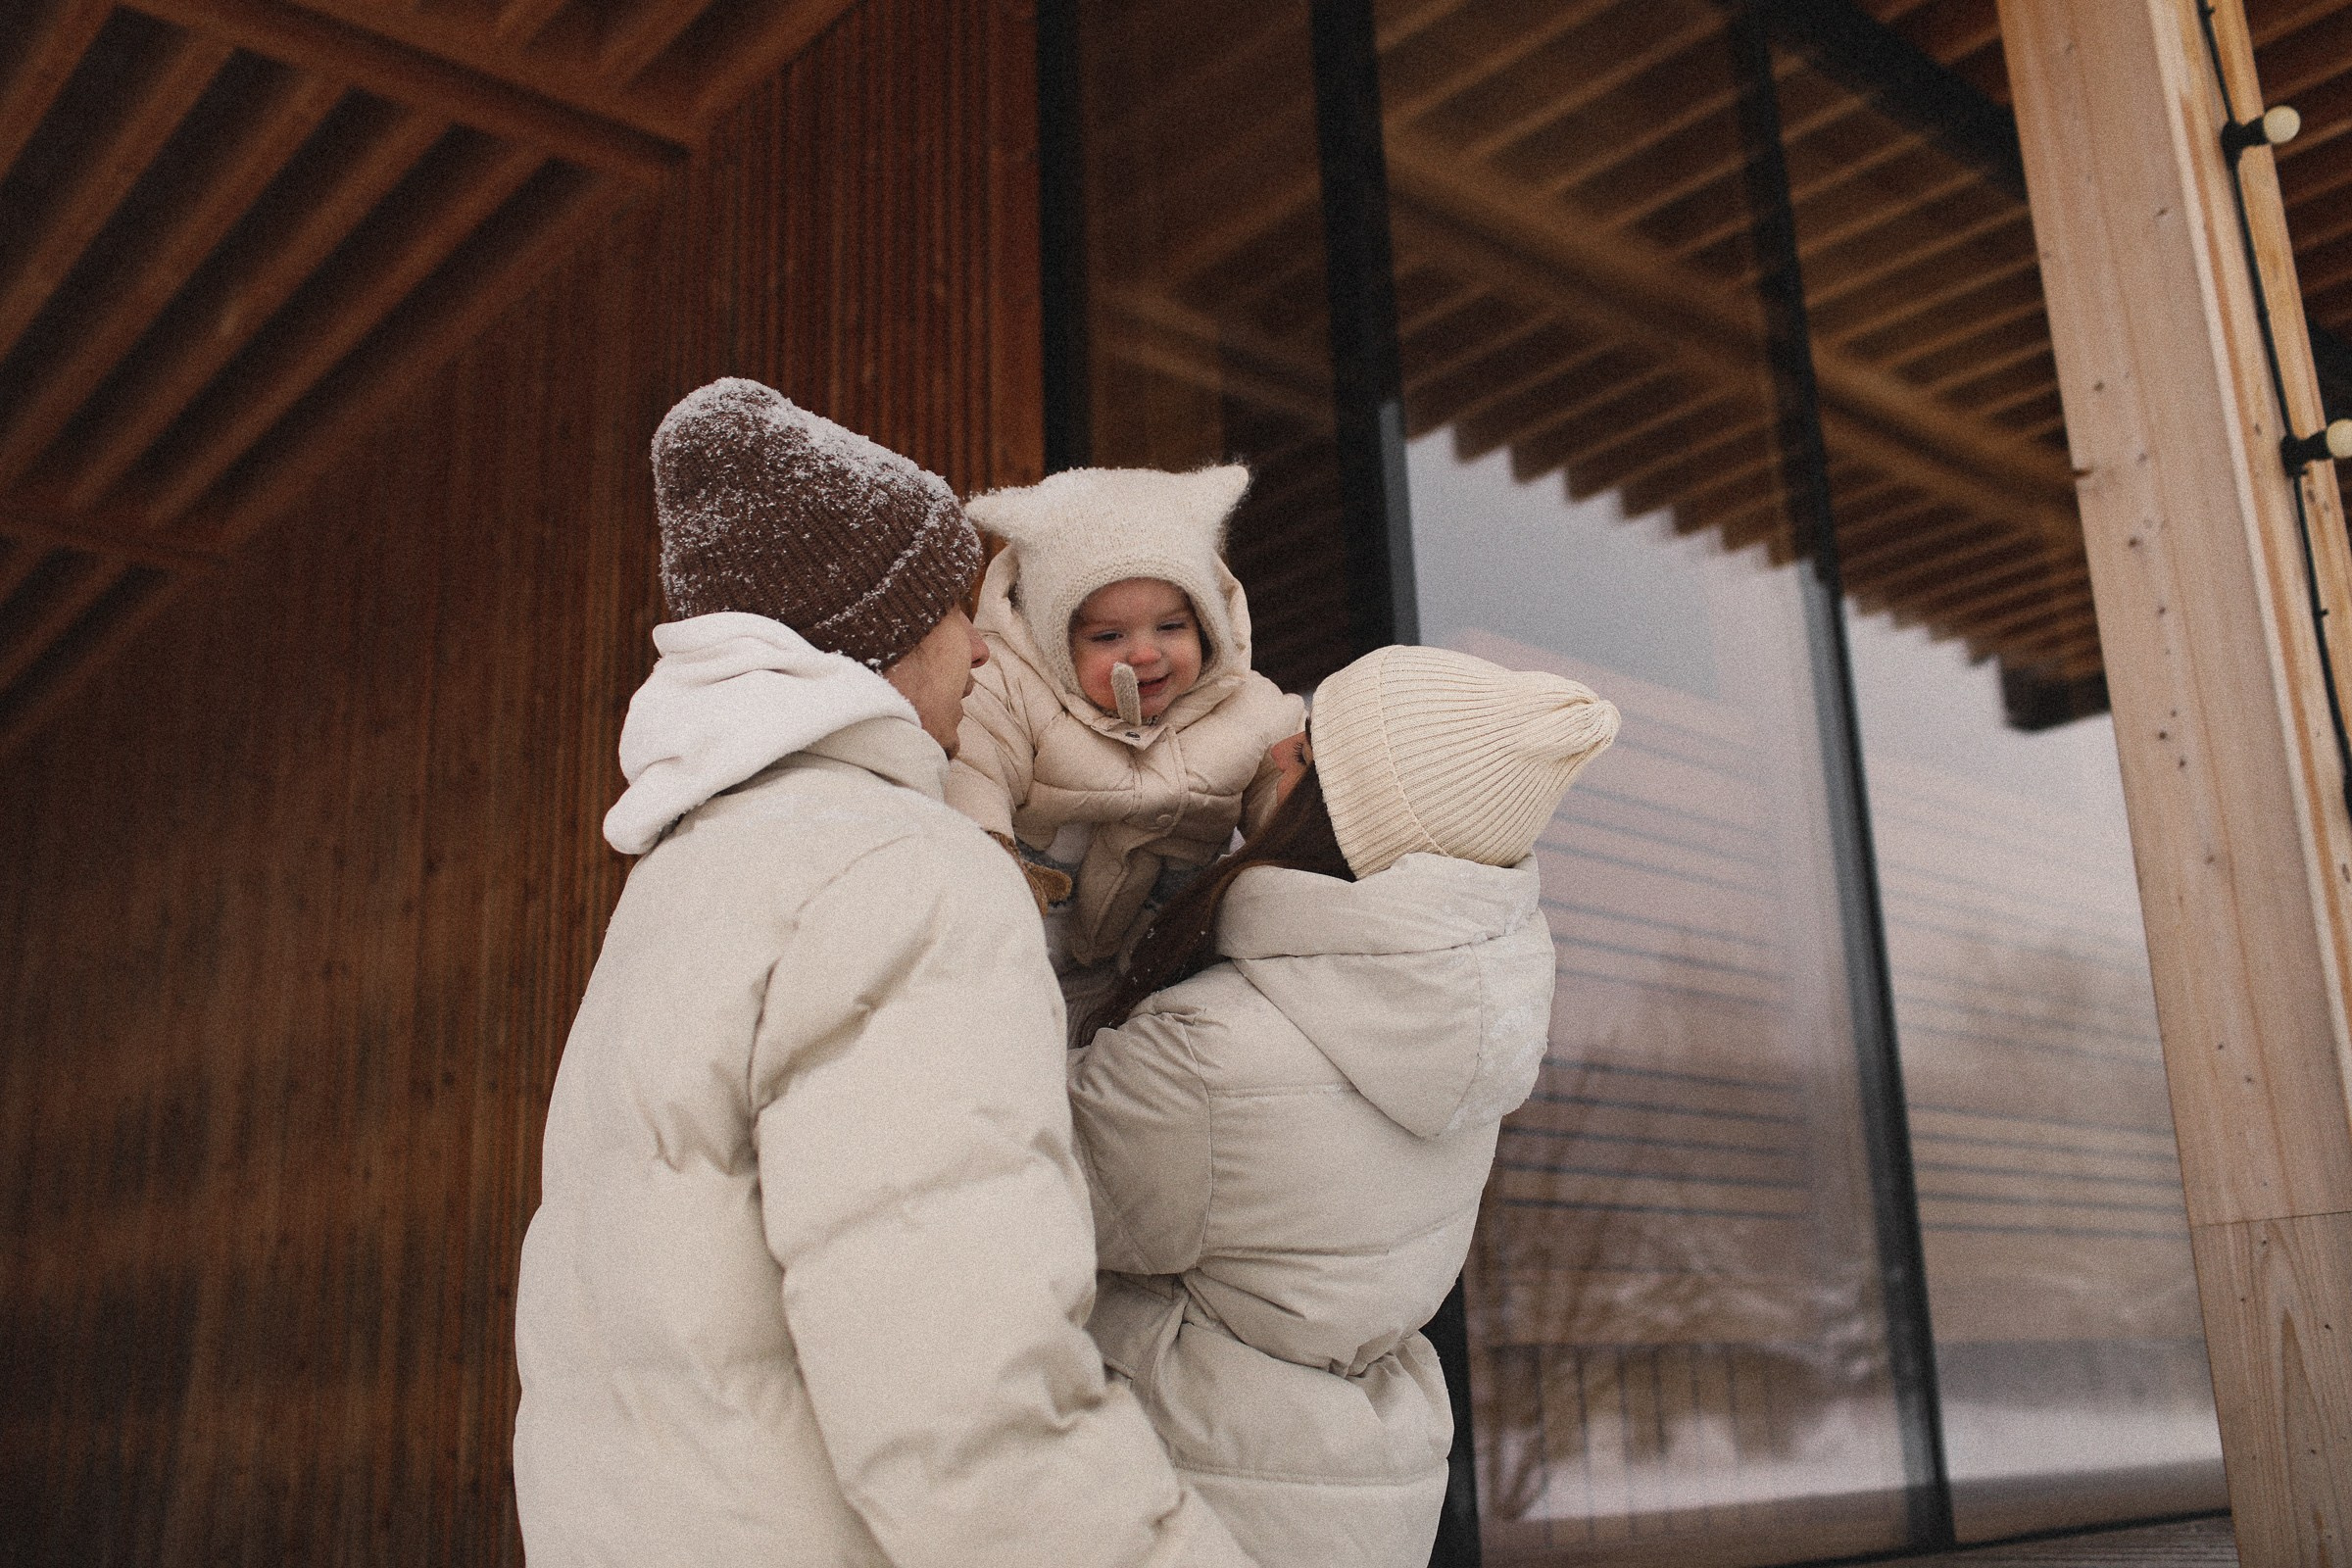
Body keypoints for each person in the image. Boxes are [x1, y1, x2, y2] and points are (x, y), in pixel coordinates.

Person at [513, 377, 1254, 1567]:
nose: (979, 644)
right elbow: (967, 1388)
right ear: (880, 639)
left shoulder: (685, 880)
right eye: (955, 610)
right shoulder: (905, 874)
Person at [1067, 644, 1619, 1568]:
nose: (1280, 749)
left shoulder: (1214, 1056)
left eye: (1314, 748)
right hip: (1349, 1498)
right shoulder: (1459, 1039)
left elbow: (1000, 1178)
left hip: (1196, 1497)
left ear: (1341, 819)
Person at [945, 466, 1305, 1028]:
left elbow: (1283, 785)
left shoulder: (1247, 706)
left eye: (1171, 627)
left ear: (1207, 624)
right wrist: (987, 851)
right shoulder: (1011, 687)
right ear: (1051, 637)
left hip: (1152, 960)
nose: (1144, 654)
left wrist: (1301, 817)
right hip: (1028, 940)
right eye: (1108, 636)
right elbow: (974, 762)